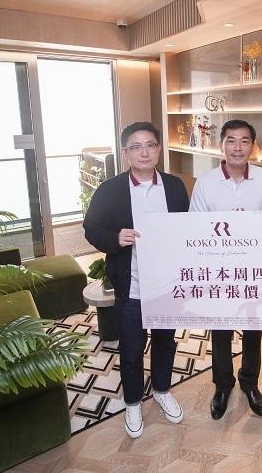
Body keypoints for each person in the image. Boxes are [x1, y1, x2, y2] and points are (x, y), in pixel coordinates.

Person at [83, 121, 190, 439]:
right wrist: (116, 238)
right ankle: (132, 402)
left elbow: (187, 230)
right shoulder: (110, 190)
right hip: (132, 285)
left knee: (165, 341)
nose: (144, 152)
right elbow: (91, 228)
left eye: (151, 145)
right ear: (125, 152)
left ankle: (162, 390)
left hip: (167, 285)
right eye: (136, 146)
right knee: (131, 347)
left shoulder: (174, 186)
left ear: (159, 149)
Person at [190, 119, 262, 420]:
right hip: (220, 272)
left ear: (253, 146)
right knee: (220, 331)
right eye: (231, 140)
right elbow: (195, 226)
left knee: (254, 331)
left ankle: (250, 383)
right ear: (222, 145)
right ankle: (222, 385)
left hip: (254, 270)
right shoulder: (205, 183)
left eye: (244, 141)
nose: (238, 147)